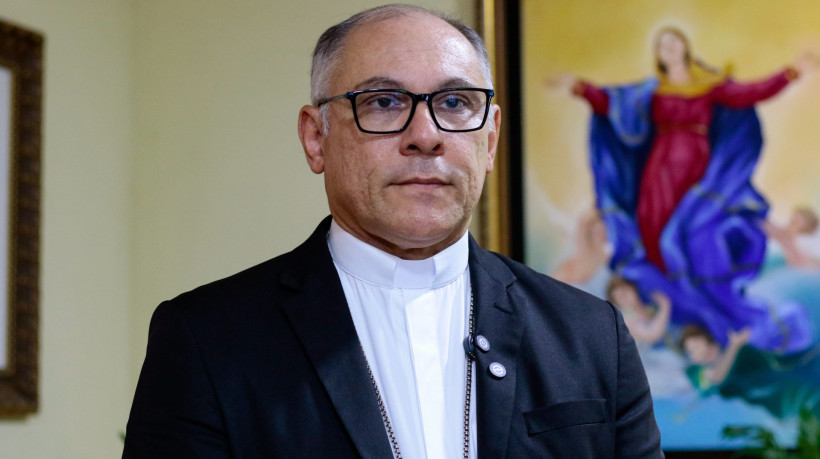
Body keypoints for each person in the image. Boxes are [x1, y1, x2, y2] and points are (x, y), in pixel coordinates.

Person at [123, 5, 663, 458]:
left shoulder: (591, 336)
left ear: (490, 140)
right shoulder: (207, 339)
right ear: (316, 139)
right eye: (383, 102)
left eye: (455, 103)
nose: (425, 136)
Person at [551, 27, 818, 354]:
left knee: (691, 233)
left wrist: (791, 73)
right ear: (659, 55)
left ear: (685, 48)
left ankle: (708, 305)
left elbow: (750, 94)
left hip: (696, 172)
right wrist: (577, 87)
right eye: (664, 45)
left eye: (675, 42)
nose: (670, 48)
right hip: (657, 173)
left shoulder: (708, 86)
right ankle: (679, 315)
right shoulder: (650, 93)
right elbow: (611, 104)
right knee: (655, 236)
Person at [680, 325, 820, 420]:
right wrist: (734, 346)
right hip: (777, 398)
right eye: (691, 352)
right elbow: (716, 379)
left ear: (710, 341)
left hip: (791, 376)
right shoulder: (696, 372)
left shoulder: (739, 347)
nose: (697, 354)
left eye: (697, 346)